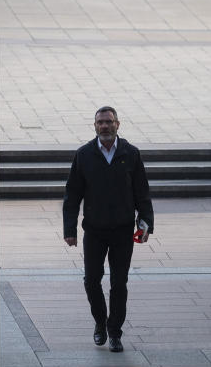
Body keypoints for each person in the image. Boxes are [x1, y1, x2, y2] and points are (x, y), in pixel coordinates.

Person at [63, 106, 154, 353]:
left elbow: (142, 193)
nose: (105, 126)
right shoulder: (84, 155)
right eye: (100, 122)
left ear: (118, 124)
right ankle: (100, 322)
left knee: (119, 283)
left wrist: (145, 223)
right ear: (94, 126)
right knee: (91, 280)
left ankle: (114, 332)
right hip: (94, 230)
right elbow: (72, 194)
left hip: (123, 231)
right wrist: (69, 228)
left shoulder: (131, 154)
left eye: (109, 122)